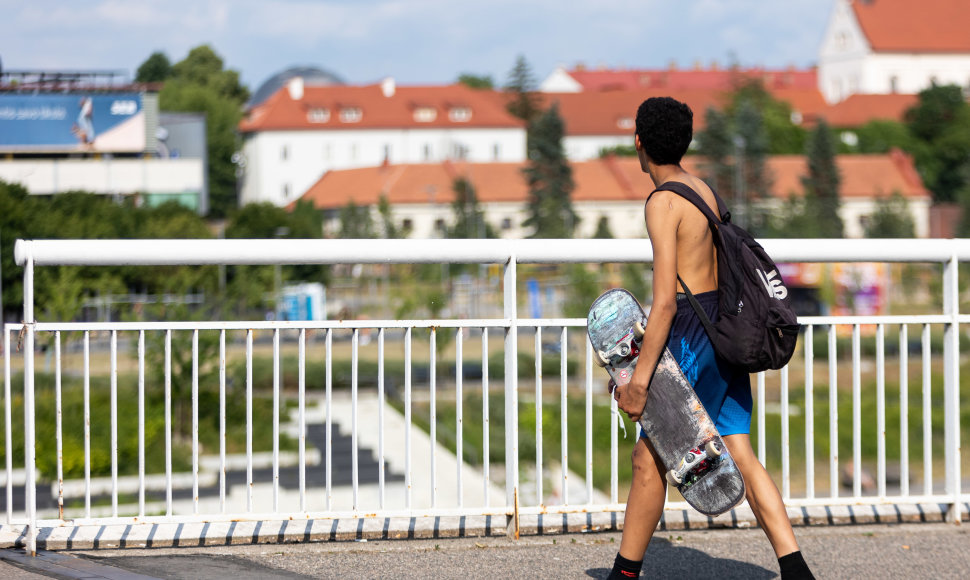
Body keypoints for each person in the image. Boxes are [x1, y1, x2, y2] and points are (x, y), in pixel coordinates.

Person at [605, 97, 814, 580]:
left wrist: (638, 381)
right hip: (725, 327)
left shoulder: (663, 202)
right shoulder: (704, 190)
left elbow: (662, 303)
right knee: (737, 449)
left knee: (651, 454)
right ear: (685, 141)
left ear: (638, 142)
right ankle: (796, 569)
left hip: (690, 336)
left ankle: (624, 572)